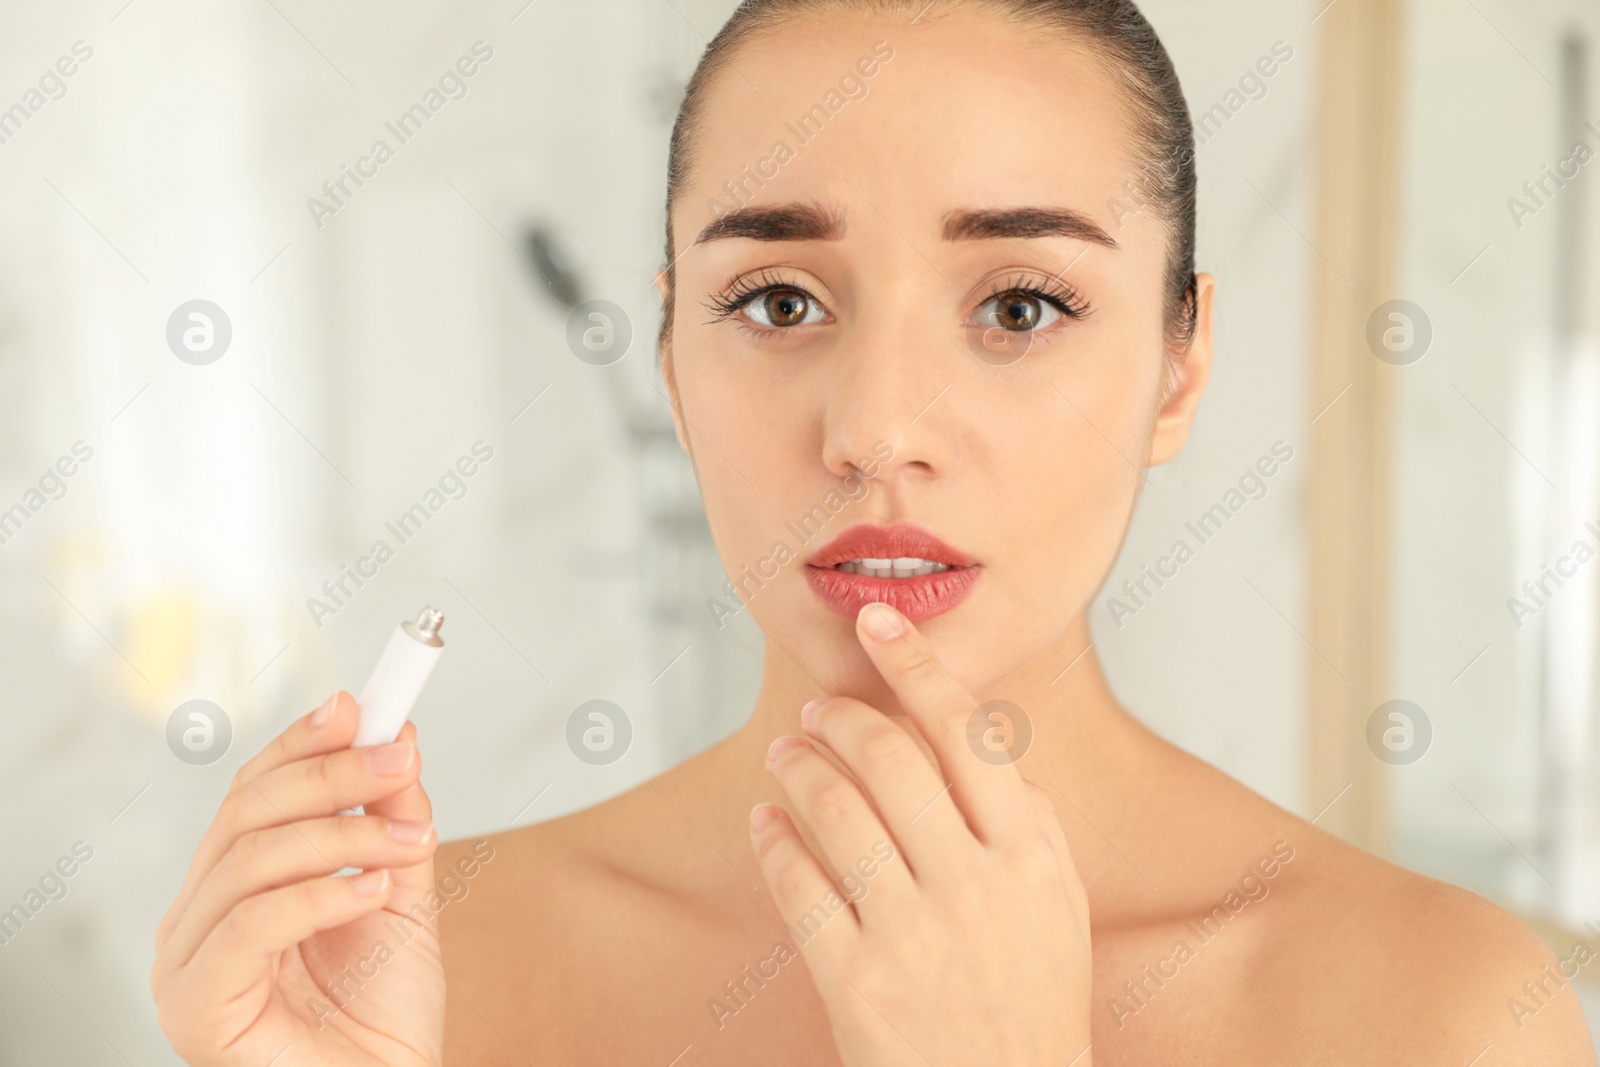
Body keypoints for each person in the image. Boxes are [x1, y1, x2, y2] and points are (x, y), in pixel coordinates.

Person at [149, 1, 1599, 1063]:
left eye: (1020, 306)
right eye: (779, 302)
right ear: (669, 352)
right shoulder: (425, 966)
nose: (875, 428)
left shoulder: (1443, 1014)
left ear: (1182, 362)